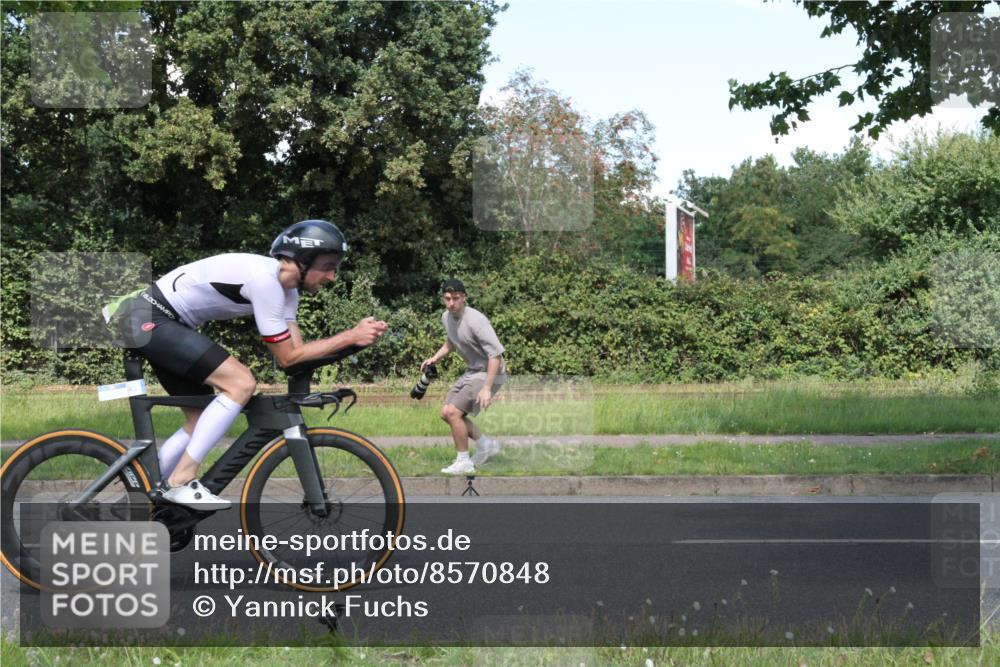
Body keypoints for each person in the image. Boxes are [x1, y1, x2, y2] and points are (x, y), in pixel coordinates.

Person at [108, 220, 388, 510]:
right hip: (151, 318)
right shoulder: (265, 282)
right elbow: (288, 357)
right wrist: (349, 336)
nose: (332, 276)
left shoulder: (287, 292)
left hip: (158, 321)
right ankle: (181, 480)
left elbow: (296, 357)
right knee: (241, 383)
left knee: (200, 420)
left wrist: (353, 343)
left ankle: (142, 498)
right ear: (302, 261)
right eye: (328, 266)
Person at [421, 279, 506, 475]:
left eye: (456, 298)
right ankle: (486, 445)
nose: (451, 303)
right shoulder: (446, 317)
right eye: (447, 299)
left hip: (490, 372)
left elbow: (495, 356)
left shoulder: (477, 321)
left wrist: (487, 388)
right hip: (473, 371)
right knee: (446, 413)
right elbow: (451, 342)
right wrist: (434, 358)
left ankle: (463, 461)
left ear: (464, 297)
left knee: (453, 413)